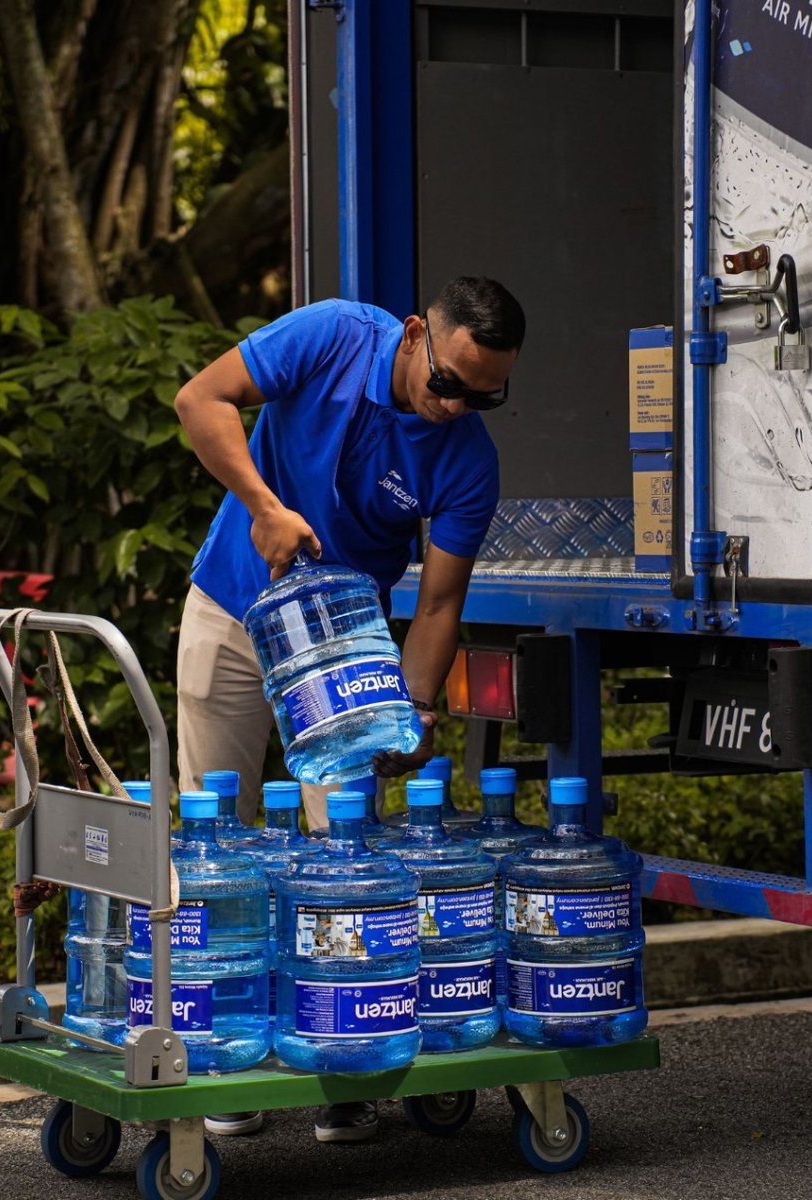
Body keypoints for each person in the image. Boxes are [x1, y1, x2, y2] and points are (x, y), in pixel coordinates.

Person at [174, 275, 525, 1143]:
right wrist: (264, 506)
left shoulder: (468, 460)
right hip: (233, 603)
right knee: (217, 828)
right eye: (448, 382)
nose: (457, 406)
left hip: (338, 651)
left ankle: (344, 1058)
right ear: (415, 335)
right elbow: (201, 398)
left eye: (485, 394)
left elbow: (439, 606)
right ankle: (227, 1060)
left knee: (344, 854)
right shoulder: (332, 336)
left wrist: (405, 708)